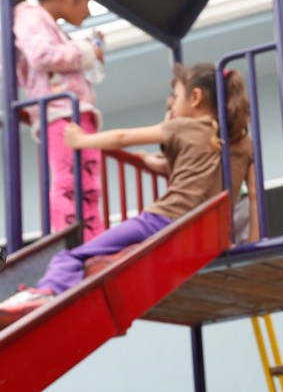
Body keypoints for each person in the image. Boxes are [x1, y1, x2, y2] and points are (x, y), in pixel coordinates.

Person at [0, 63, 256, 328]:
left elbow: (123, 137)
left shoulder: (184, 127)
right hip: (209, 233)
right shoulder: (240, 143)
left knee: (72, 256)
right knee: (105, 254)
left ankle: (46, 293)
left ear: (196, 97)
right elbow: (248, 193)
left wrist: (81, 141)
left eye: (177, 97)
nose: (174, 105)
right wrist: (254, 242)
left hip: (163, 221)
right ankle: (53, 290)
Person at [13, 0, 105, 240]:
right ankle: (70, 238)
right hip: (59, 114)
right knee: (69, 181)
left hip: (75, 113)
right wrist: (87, 51)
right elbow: (41, 56)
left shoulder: (49, 26)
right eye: (87, 1)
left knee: (88, 183)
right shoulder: (29, 15)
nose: (88, 11)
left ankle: (92, 239)